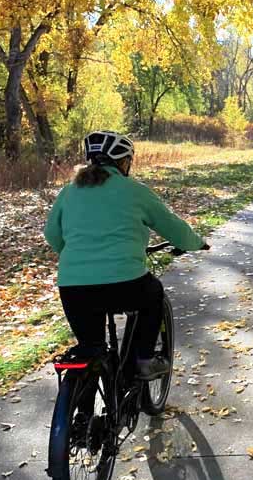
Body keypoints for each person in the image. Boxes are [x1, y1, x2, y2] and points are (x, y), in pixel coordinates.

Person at [44, 130, 209, 378]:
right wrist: (196, 243)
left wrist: (76, 258)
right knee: (153, 294)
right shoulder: (135, 190)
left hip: (73, 286)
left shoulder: (69, 192)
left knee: (90, 351)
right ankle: (143, 360)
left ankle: (80, 413)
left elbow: (52, 234)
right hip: (125, 283)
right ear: (124, 162)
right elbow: (172, 227)